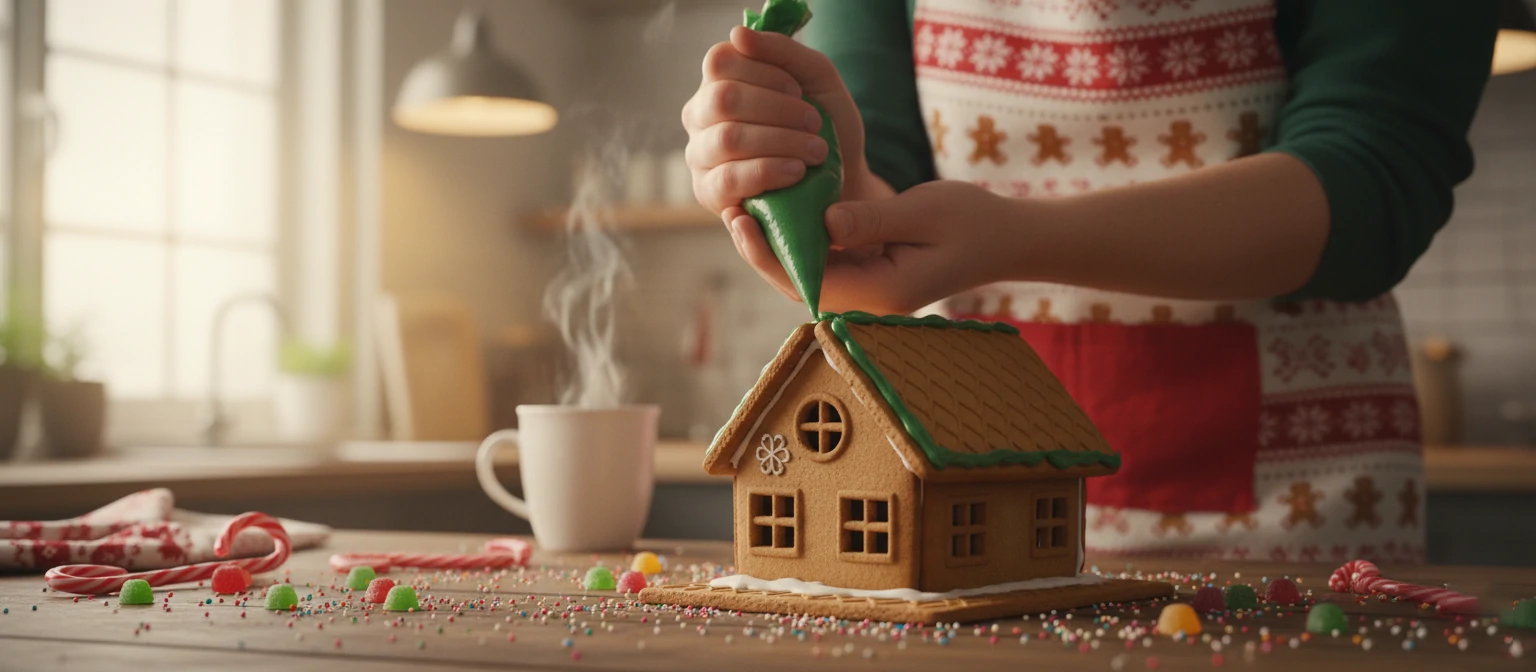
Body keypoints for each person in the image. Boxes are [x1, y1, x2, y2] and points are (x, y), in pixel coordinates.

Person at [681, 0, 1500, 562]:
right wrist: (827, 190)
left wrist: (1019, 236)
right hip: (972, 501)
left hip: (1302, 511)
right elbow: (876, 182)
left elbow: (1372, 186)